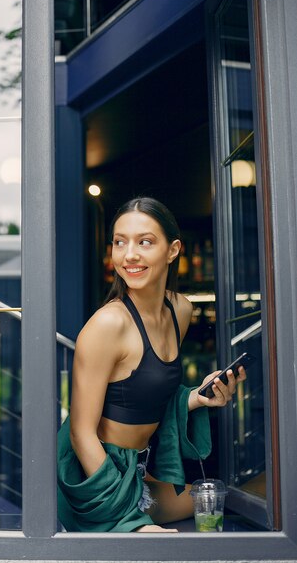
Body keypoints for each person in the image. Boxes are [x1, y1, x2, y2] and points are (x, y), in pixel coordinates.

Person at [57, 197, 246, 533]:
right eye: (119, 242)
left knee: (216, 502)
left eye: (145, 242)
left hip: (139, 474)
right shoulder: (106, 326)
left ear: (173, 251)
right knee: (160, 541)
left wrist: (198, 397)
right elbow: (80, 433)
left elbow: (145, 395)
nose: (129, 254)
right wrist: (130, 521)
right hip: (98, 479)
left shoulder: (180, 310)